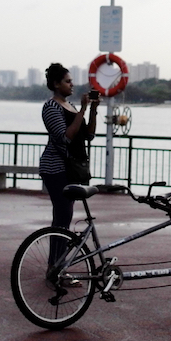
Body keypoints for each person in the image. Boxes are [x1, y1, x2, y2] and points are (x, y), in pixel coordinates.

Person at [39, 64, 100, 235]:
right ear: (56, 84)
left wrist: (93, 110)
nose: (72, 85)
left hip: (70, 168)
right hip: (55, 167)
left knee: (65, 216)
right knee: (62, 215)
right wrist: (82, 109)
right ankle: (56, 260)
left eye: (71, 81)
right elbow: (65, 137)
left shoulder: (70, 106)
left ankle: (59, 259)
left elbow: (88, 136)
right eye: (68, 81)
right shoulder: (51, 107)